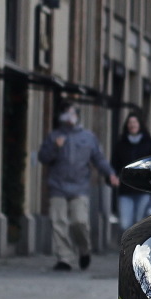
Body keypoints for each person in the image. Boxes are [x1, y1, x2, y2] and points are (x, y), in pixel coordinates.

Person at [37, 101, 120, 271]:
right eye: (66, 114)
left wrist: (110, 173)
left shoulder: (88, 137)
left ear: (77, 116)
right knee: (58, 222)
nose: (69, 117)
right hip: (57, 186)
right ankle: (64, 258)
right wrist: (55, 147)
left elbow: (99, 158)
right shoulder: (55, 136)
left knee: (79, 222)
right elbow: (43, 157)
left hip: (79, 186)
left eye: (72, 114)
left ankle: (84, 249)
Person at [110, 112, 151, 231]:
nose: (132, 125)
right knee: (125, 224)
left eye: (135, 122)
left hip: (144, 189)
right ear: (127, 126)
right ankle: (127, 247)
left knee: (140, 223)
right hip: (125, 190)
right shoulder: (121, 144)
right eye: (130, 123)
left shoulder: (149, 143)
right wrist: (113, 177)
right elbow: (114, 165)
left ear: (140, 125)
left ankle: (135, 249)